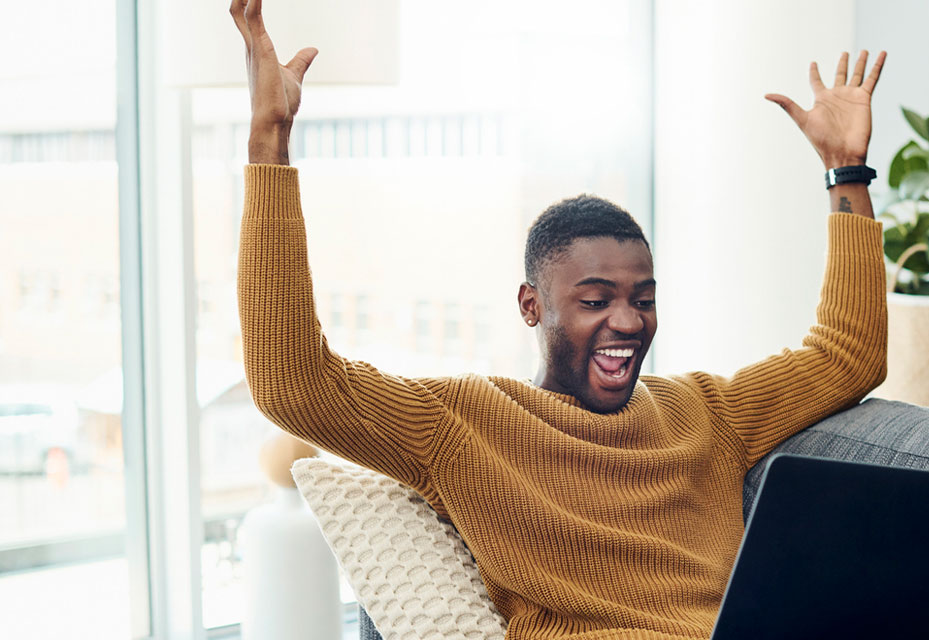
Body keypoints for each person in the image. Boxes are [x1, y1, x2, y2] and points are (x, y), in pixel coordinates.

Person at [230, 0, 887, 638]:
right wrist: (269, 144)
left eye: (644, 299)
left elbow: (849, 356)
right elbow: (294, 385)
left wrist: (846, 171)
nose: (629, 322)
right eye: (596, 301)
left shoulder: (709, 412)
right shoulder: (464, 424)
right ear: (531, 305)